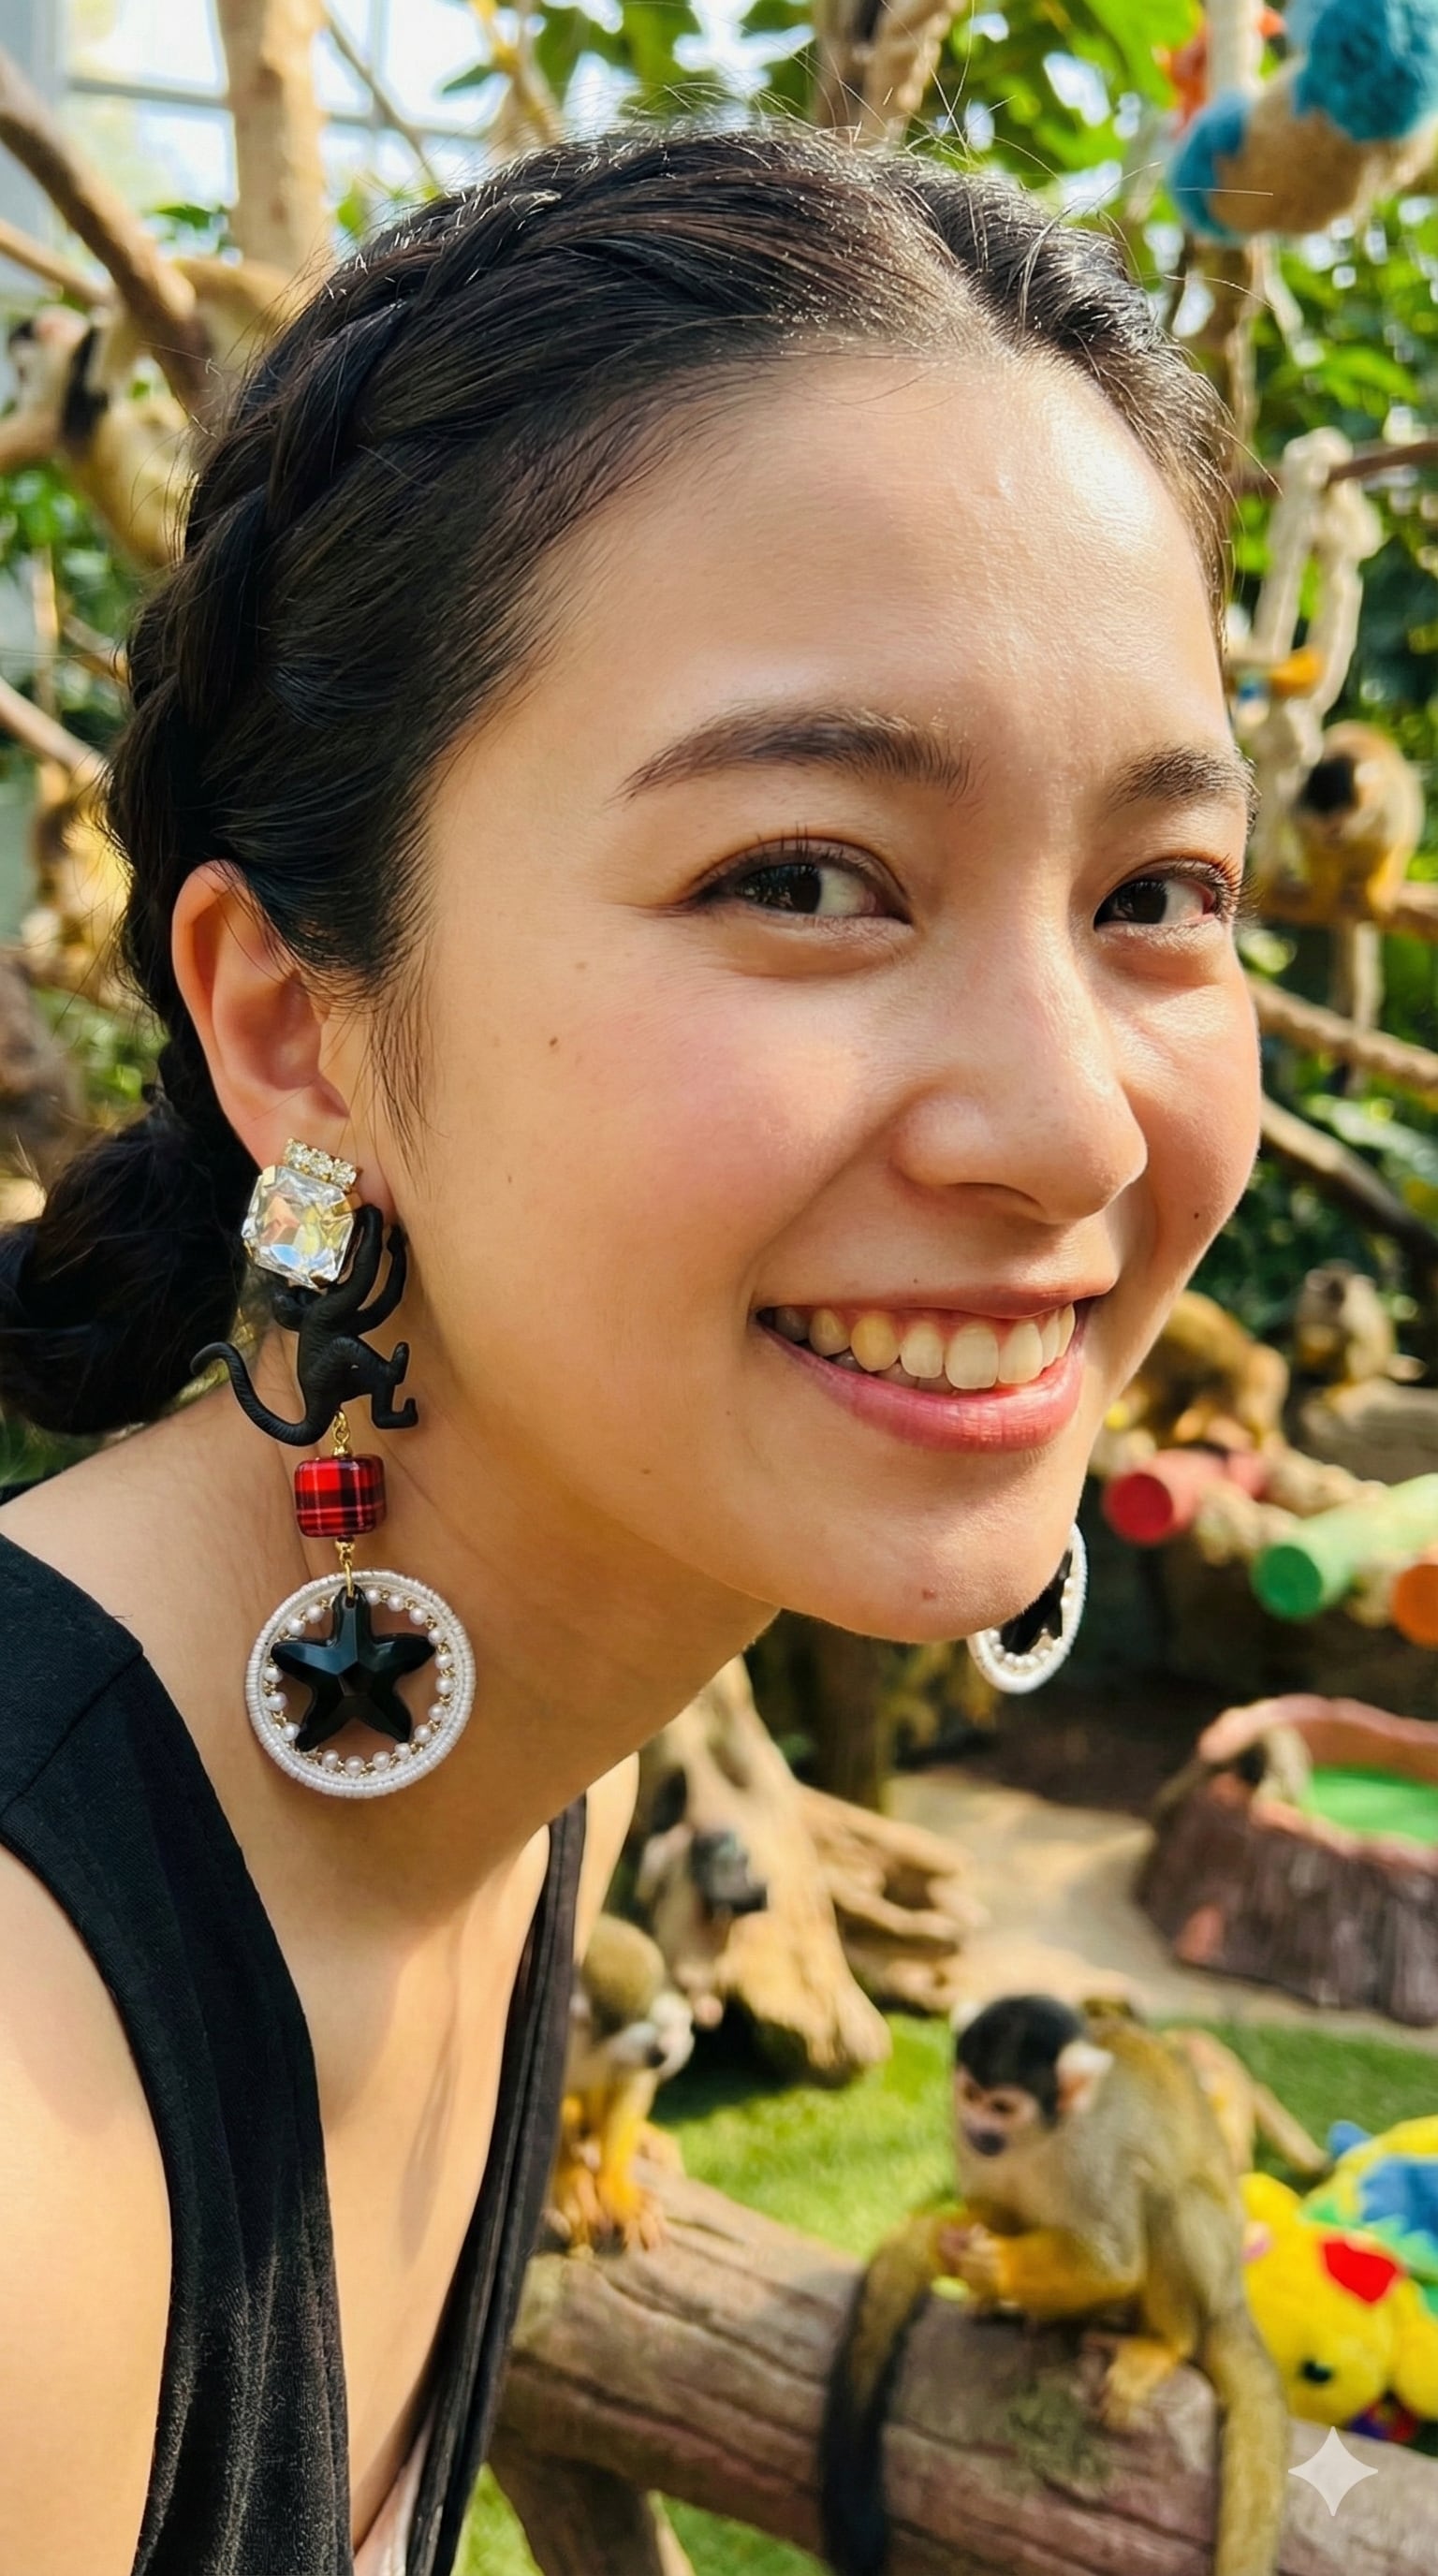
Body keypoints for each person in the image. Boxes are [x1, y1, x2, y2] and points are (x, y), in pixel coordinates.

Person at [0, 118, 1259, 2576]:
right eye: (801, 876)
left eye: (1158, 892)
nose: (1070, 1126)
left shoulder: (523, 1785)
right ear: (298, 1030)